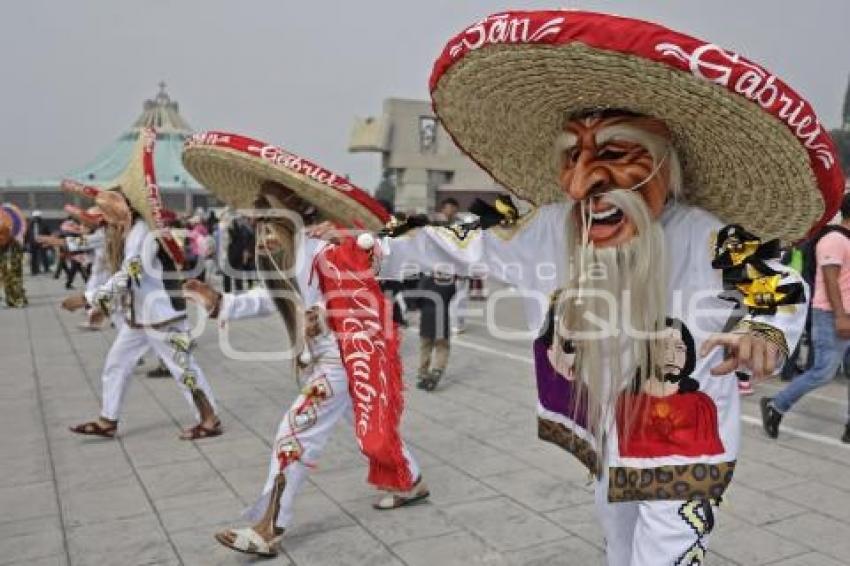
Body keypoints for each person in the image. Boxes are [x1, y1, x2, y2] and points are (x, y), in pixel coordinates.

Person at [354, 10, 841, 564]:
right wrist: (371, 250)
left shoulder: (708, 235)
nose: (585, 182)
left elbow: (775, 280)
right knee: (617, 545)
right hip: (609, 437)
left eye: (612, 155)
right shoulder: (552, 226)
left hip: (684, 446)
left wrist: (763, 330)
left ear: (665, 166)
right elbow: (458, 239)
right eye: (573, 158)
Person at [182, 131, 428, 558]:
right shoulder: (291, 256)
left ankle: (269, 526)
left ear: (293, 212)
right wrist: (221, 301)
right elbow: (273, 299)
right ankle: (411, 480)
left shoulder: (319, 247)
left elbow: (362, 276)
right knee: (368, 425)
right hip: (328, 357)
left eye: (268, 214)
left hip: (342, 356)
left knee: (294, 432)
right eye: (258, 218)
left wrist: (328, 308)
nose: (260, 226)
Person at [61, 129, 222, 440]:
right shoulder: (126, 232)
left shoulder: (143, 235)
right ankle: (108, 419)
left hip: (162, 316)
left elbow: (128, 275)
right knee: (116, 364)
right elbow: (102, 250)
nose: (104, 220)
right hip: (139, 318)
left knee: (183, 369)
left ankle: (209, 419)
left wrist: (88, 298)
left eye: (107, 215)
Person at [762, 193, 850, 443]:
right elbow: (831, 280)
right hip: (831, 314)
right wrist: (840, 316)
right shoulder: (833, 239)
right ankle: (776, 405)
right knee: (823, 372)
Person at [0, 205, 28, 308]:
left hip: (13, 249)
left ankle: (18, 299)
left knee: (14, 275)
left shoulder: (6, 222)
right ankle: (11, 299)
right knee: (5, 275)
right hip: (4, 251)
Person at [25, 210, 50, 275]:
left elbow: (48, 233)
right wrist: (26, 243)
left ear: (40, 217)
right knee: (33, 257)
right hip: (32, 243)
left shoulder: (44, 224)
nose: (36, 218)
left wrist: (48, 242)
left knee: (43, 256)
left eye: (37, 217)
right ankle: (34, 270)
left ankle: (46, 268)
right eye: (35, 217)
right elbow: (27, 234)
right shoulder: (29, 224)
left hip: (42, 242)